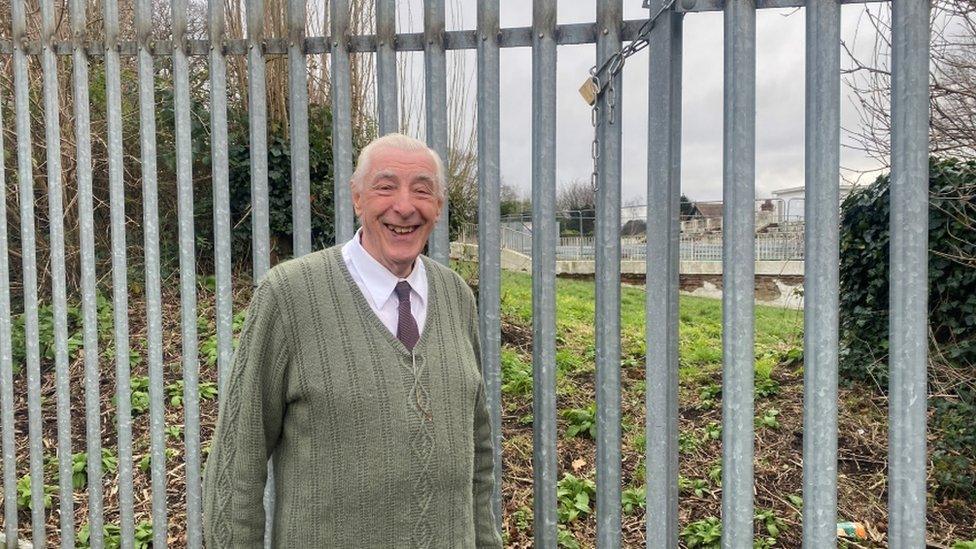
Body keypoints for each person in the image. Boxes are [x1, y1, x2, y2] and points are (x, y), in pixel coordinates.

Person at [202, 133, 503, 548]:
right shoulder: (289, 295)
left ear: (438, 206)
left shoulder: (457, 297)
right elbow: (239, 458)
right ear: (357, 198)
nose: (404, 206)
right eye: (385, 186)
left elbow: (479, 456)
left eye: (422, 190)